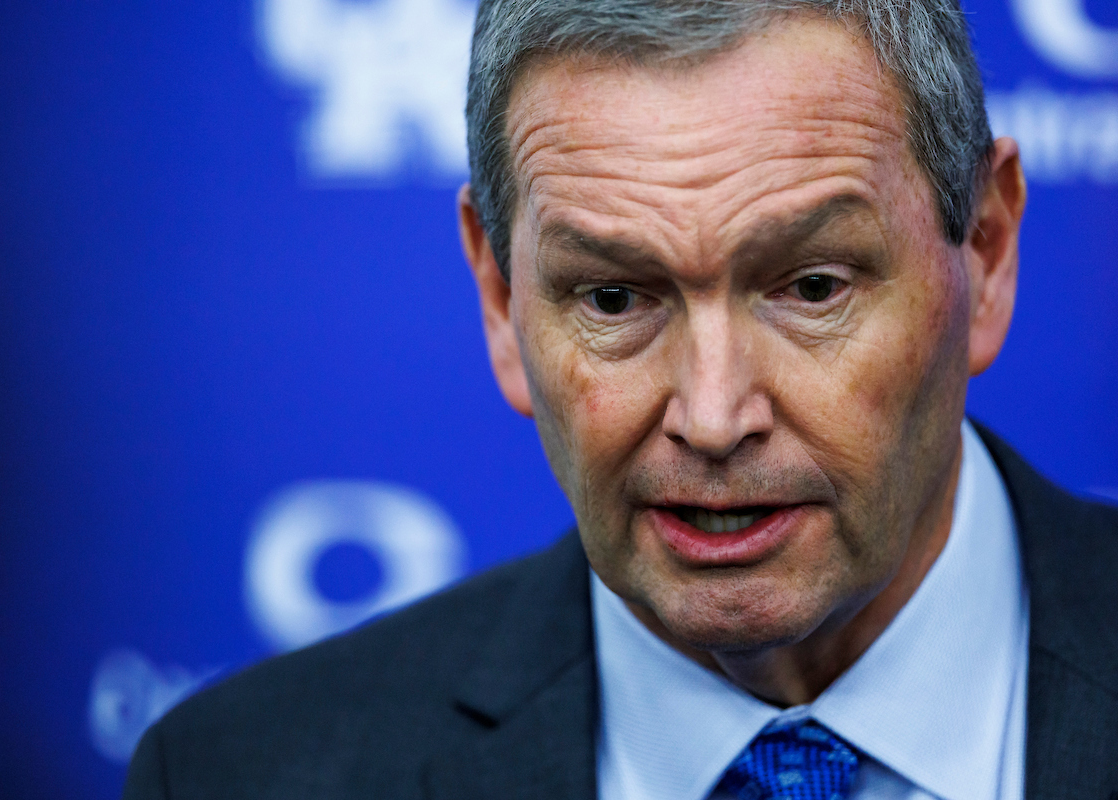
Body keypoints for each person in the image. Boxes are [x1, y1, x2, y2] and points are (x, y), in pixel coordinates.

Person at [123, 0, 1118, 797]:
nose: (714, 418)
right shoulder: (235, 774)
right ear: (500, 298)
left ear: (985, 251)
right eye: (612, 298)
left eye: (813, 287)